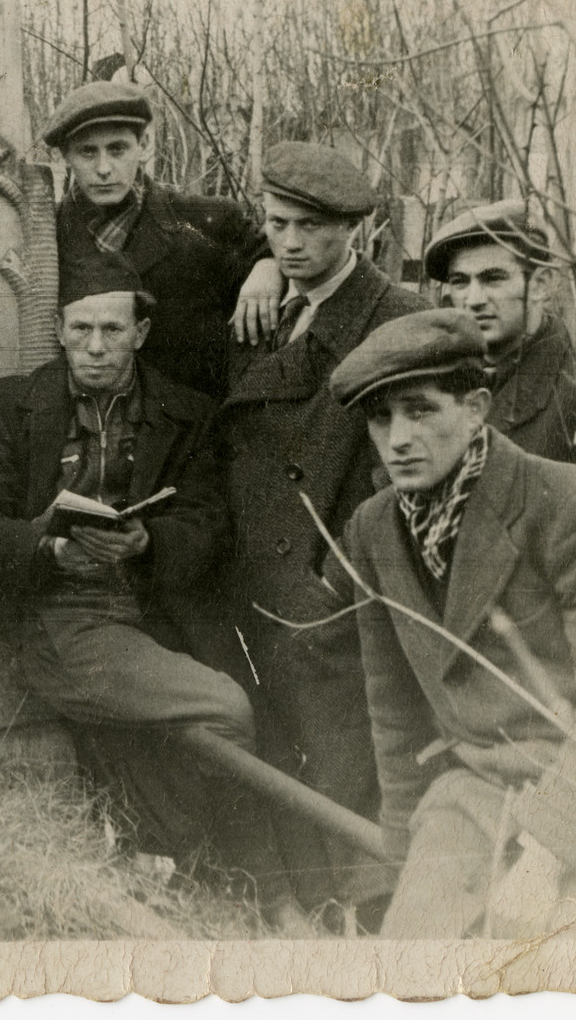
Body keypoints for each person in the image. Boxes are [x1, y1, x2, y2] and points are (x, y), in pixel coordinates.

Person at [0, 257, 305, 929]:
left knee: (255, 710)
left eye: (113, 329)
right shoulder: (12, 405)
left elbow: (209, 521)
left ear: (141, 333)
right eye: (80, 329)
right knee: (225, 709)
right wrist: (48, 546)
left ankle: (205, 873)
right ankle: (275, 900)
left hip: (157, 609)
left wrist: (146, 542)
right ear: (58, 329)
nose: (96, 347)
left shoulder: (182, 412)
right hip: (63, 618)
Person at [328, 309, 576, 938]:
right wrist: (406, 860)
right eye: (380, 418)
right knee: (409, 965)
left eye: (420, 411)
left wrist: (547, 856)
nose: (397, 440)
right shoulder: (373, 527)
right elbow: (392, 707)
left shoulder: (575, 507)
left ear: (475, 409)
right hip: (469, 797)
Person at [213, 141, 426, 925]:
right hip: (255, 586)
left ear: (354, 234)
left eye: (310, 228)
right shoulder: (262, 307)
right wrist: (260, 269)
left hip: (332, 588)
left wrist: (335, 577)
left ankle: (368, 917)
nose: (291, 243)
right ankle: (310, 906)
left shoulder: (394, 318)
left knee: (348, 759)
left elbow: (403, 464)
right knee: (280, 753)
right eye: (276, 225)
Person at [45, 81, 283, 399]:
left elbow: (284, 248)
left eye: (117, 149)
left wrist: (268, 265)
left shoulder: (206, 221)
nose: (104, 168)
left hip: (191, 436)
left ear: (143, 145)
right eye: (88, 151)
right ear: (65, 157)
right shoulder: (46, 237)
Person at [423, 200, 576, 483]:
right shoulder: (437, 379)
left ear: (541, 284)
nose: (473, 300)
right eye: (460, 282)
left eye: (493, 279)